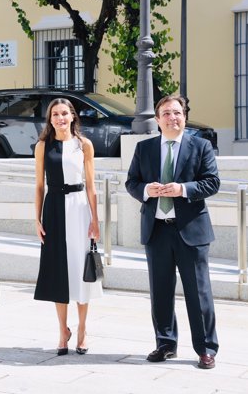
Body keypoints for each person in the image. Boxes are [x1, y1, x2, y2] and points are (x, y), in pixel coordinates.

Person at [125, 95, 220, 370]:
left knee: (198, 293)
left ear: (185, 117)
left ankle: (206, 349)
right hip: (156, 230)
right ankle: (165, 343)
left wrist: (183, 190)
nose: (172, 118)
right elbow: (132, 182)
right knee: (161, 291)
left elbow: (212, 182)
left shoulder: (200, 146)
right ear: (157, 120)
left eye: (177, 113)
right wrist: (145, 191)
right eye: (166, 113)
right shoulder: (145, 149)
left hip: (191, 230)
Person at [33, 98, 102, 355]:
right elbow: (39, 185)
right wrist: (37, 218)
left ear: (72, 116)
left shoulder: (84, 145)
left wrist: (96, 220)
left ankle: (82, 330)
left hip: (79, 208)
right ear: (50, 120)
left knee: (80, 268)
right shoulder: (43, 146)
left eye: (64, 113)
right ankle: (63, 330)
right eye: (55, 114)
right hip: (53, 209)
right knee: (57, 271)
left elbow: (92, 185)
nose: (60, 118)